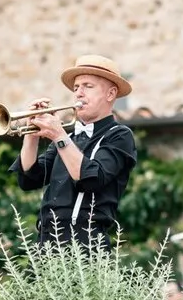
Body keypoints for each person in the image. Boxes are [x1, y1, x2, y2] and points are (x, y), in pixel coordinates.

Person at [17, 54, 139, 247]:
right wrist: (31, 134)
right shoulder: (69, 139)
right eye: (76, 88)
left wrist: (59, 136)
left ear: (110, 94)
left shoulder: (119, 136)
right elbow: (29, 178)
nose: (78, 94)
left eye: (87, 86)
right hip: (46, 243)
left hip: (87, 244)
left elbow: (90, 179)